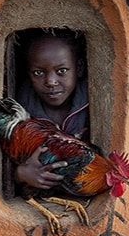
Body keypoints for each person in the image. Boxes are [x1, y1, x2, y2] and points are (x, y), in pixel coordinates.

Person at [13, 28, 89, 190]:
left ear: (80, 68)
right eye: (38, 72)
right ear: (28, 74)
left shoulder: (92, 105)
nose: (51, 81)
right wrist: (19, 174)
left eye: (61, 71)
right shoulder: (19, 113)